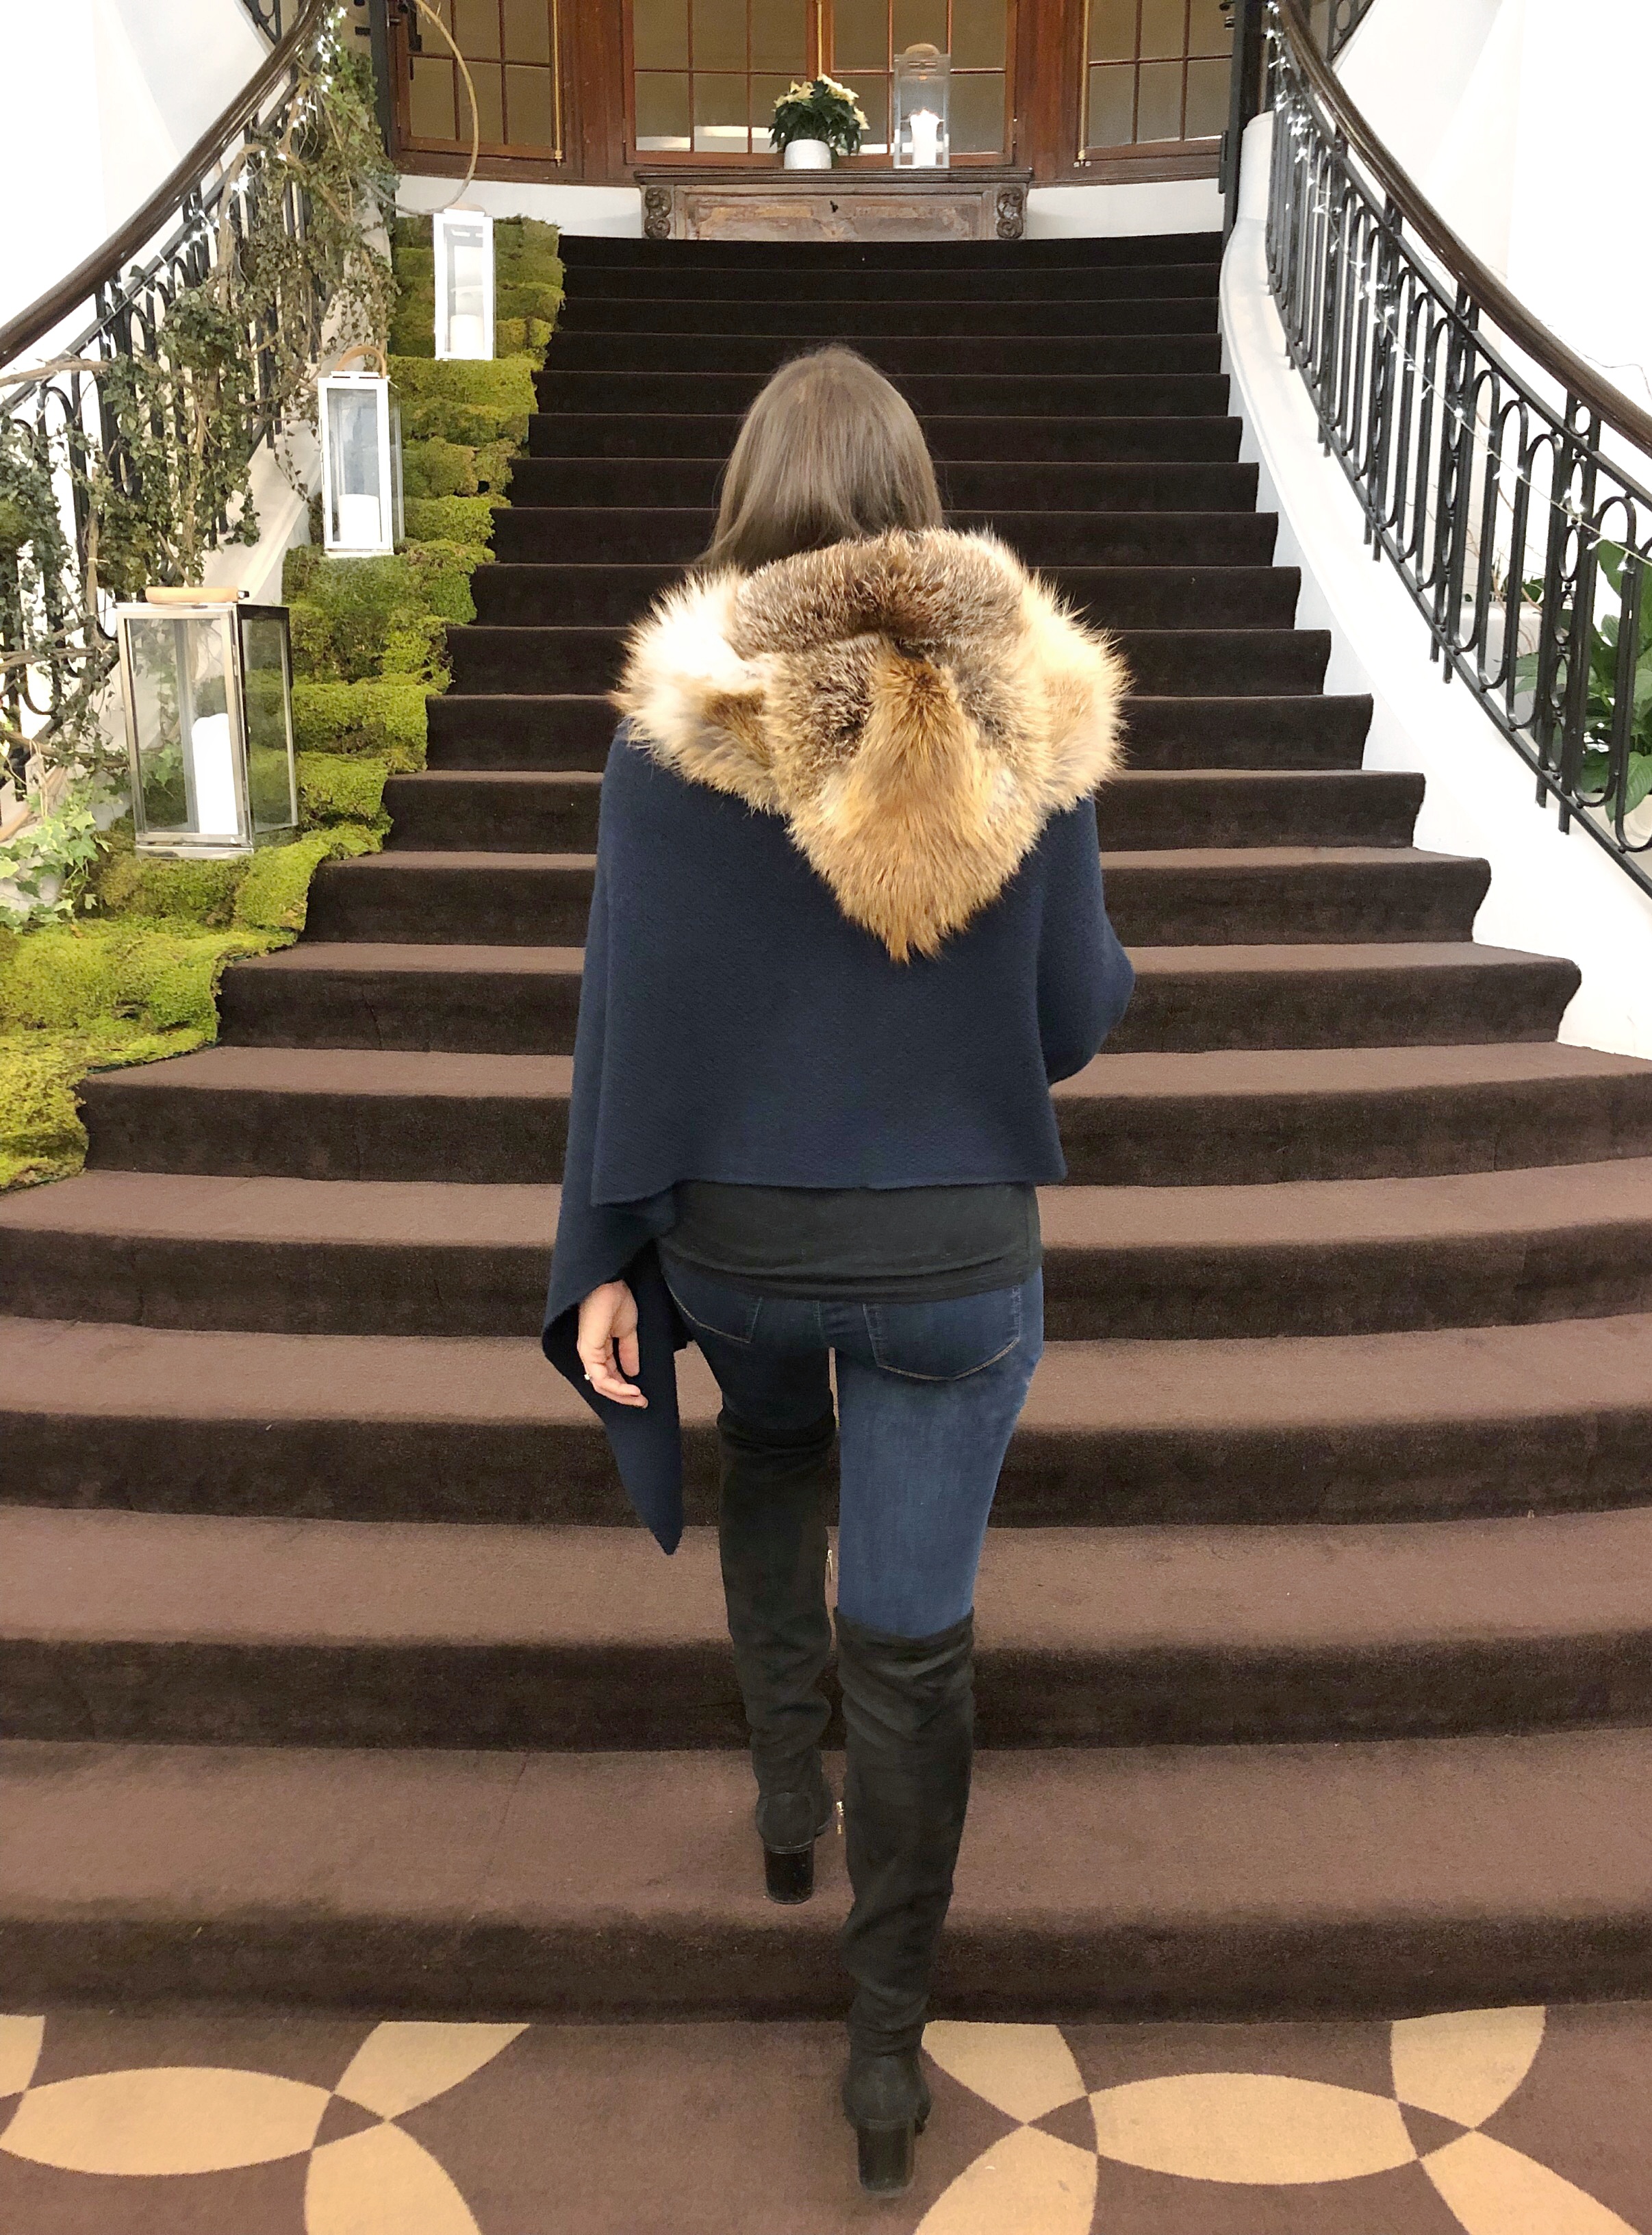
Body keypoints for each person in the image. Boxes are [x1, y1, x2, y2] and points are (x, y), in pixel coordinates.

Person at [542, 345, 1132, 2197]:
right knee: (914, 1634)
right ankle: (884, 2061)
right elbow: (1071, 1021)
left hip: (737, 1245)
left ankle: (788, 1806)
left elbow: (624, 1016)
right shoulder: (1024, 713)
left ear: (747, 497)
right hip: (947, 1257)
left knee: (775, 1454)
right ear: (915, 496)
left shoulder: (673, 730)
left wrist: (607, 1248)